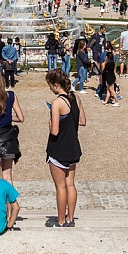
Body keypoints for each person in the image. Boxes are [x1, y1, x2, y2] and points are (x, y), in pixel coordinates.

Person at [45, 69, 86, 227]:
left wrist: (50, 120)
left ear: (56, 85)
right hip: (73, 147)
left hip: (58, 148)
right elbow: (82, 121)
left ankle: (60, 220)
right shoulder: (76, 98)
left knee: (60, 186)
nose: (50, 89)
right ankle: (70, 218)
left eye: (50, 85)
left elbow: (54, 130)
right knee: (70, 184)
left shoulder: (57, 103)